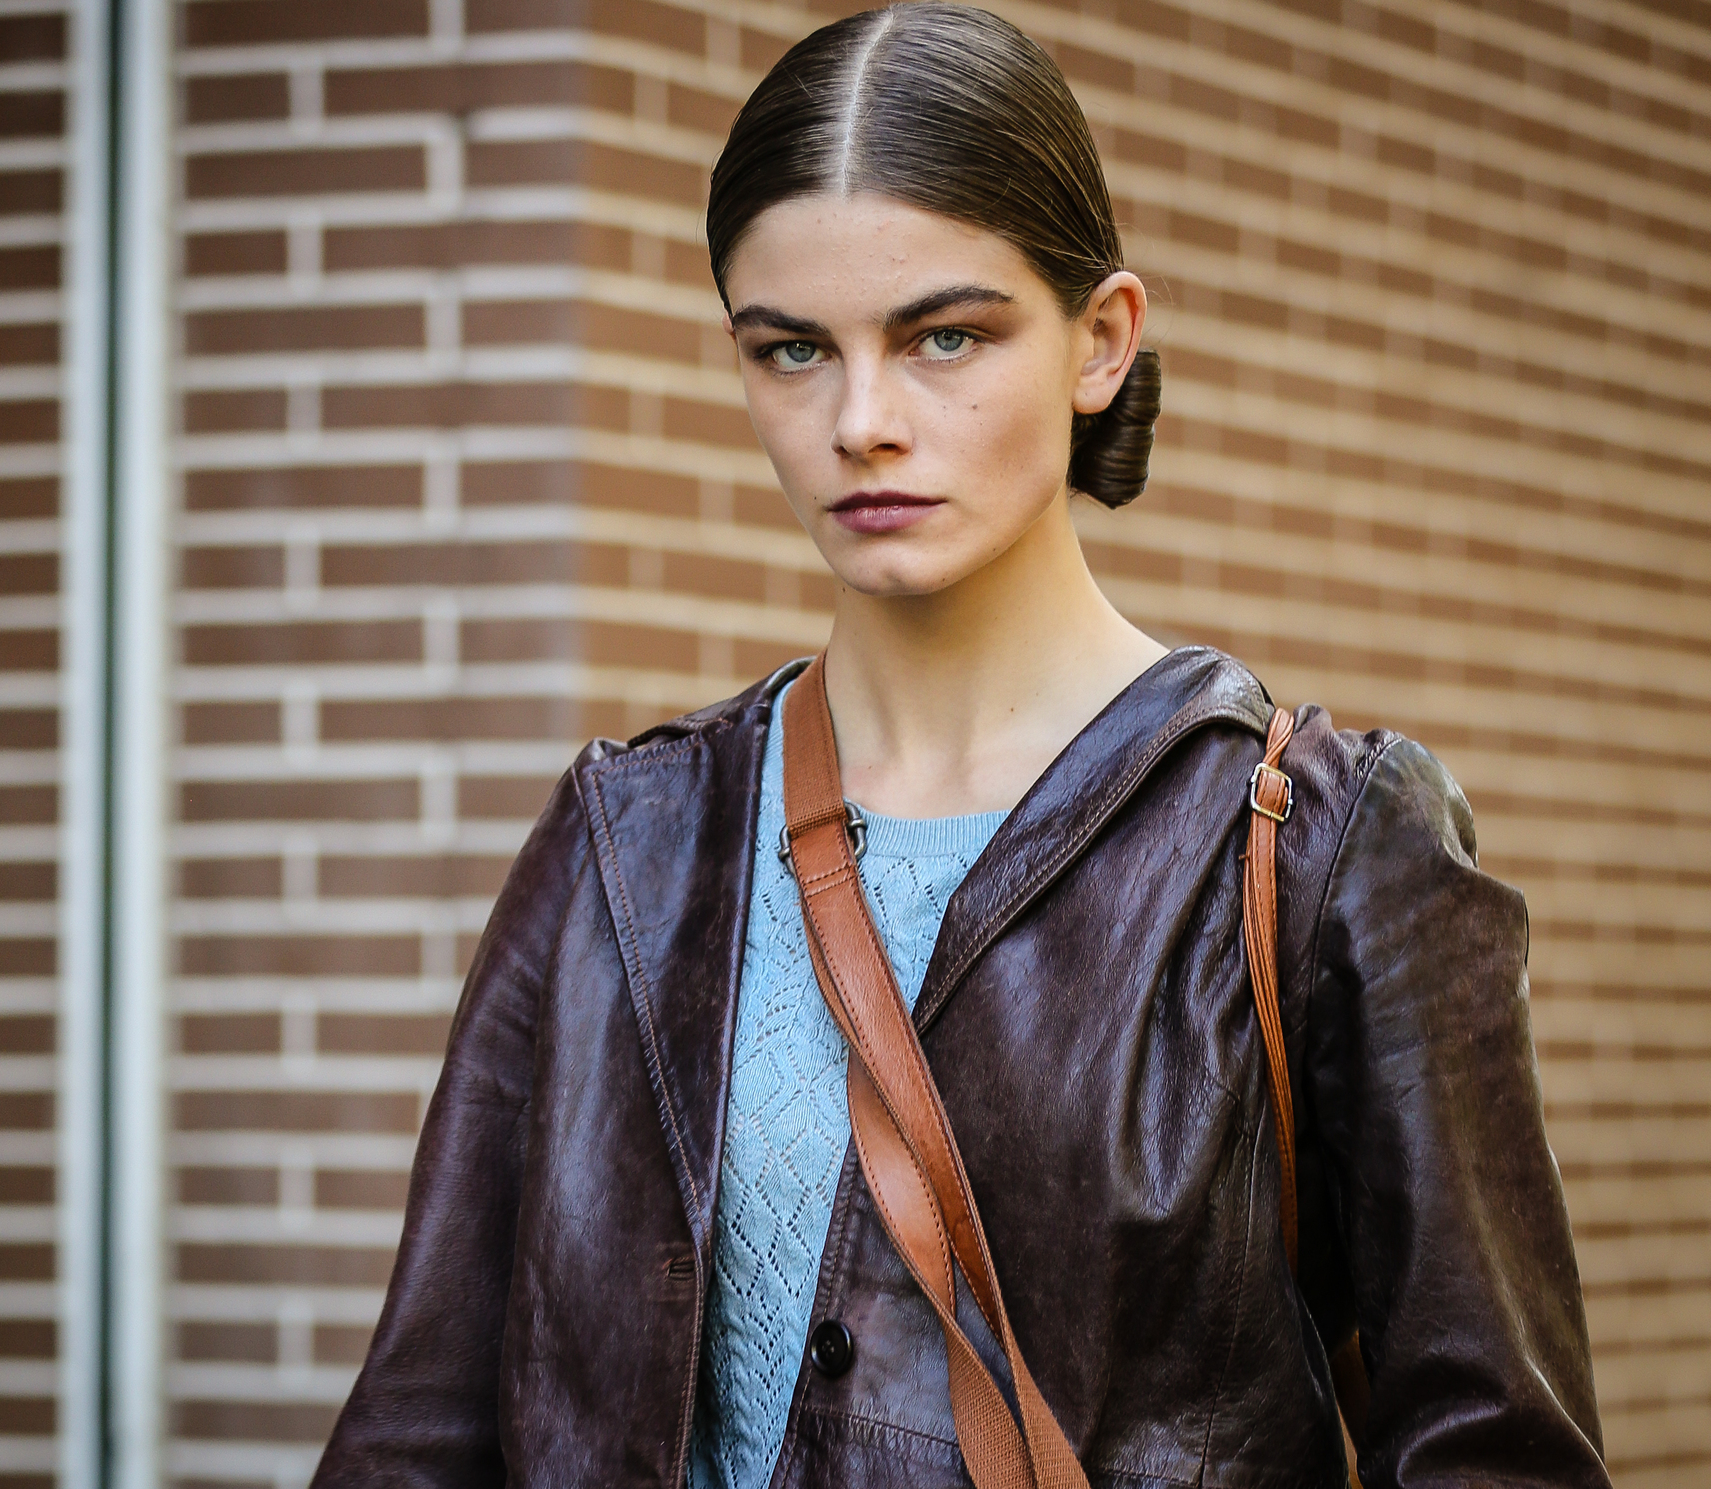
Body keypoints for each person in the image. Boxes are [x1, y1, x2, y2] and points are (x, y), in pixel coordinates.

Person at [309, 6, 1607, 1486]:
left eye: (944, 336)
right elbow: (418, 1432)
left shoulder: (1318, 847)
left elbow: (1496, 1452)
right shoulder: (629, 837)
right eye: (792, 349)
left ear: (1101, 342)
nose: (861, 420)